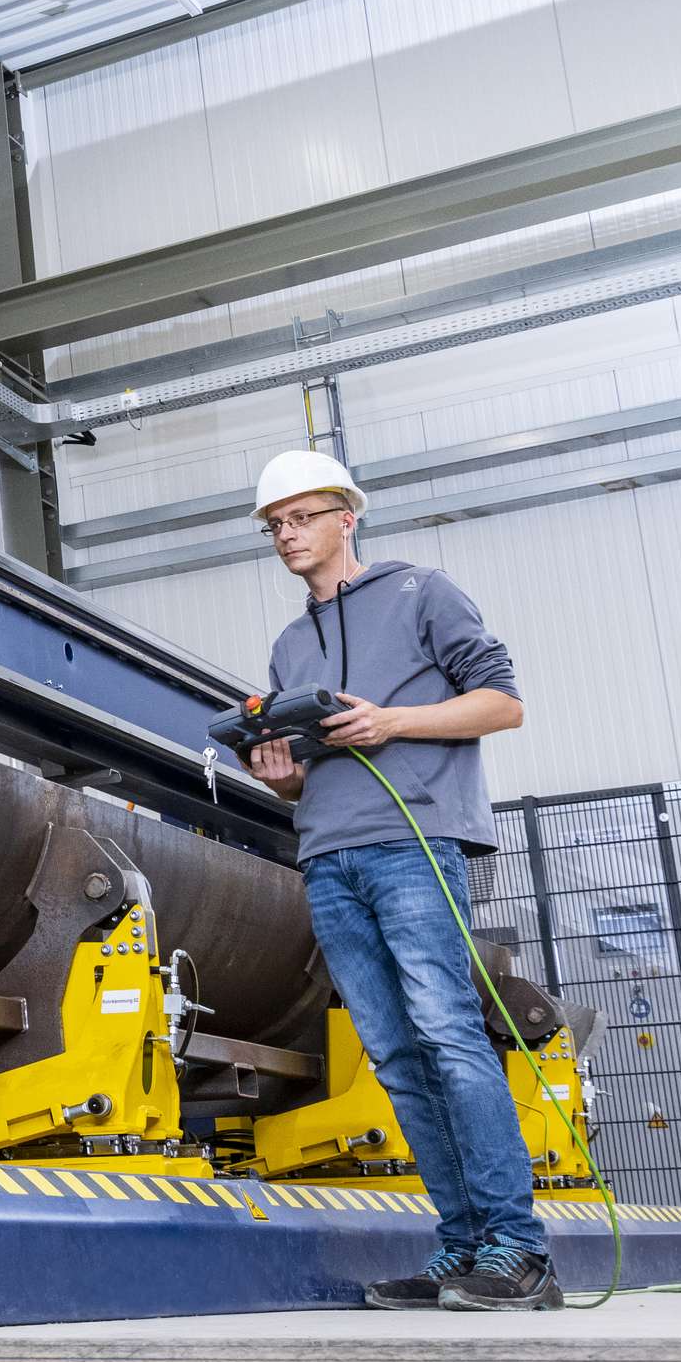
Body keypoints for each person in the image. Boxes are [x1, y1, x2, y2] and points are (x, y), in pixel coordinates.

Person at [241, 450, 554, 1311]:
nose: (285, 535)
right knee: (397, 1057)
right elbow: (308, 769)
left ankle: (519, 1252)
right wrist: (281, 775)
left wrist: (393, 721)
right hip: (327, 856)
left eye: (300, 517)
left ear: (348, 516)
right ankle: (462, 1250)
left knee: (449, 1035)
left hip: (415, 842)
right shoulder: (290, 644)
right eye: (274, 525)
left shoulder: (423, 593)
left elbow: (504, 702)